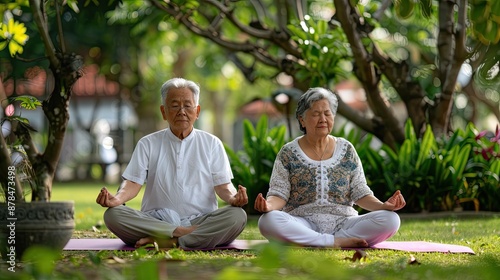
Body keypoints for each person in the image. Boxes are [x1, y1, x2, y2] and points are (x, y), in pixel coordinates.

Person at [96, 77, 248, 249]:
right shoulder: (148, 143)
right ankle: (185, 234)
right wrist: (117, 199)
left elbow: (223, 186)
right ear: (163, 111)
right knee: (113, 215)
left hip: (200, 220)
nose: (181, 111)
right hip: (155, 220)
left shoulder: (212, 143)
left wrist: (233, 198)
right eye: (175, 105)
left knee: (237, 216)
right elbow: (132, 183)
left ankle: (169, 240)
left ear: (197, 111)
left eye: (187, 106)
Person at [254, 87, 406, 248]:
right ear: (302, 119)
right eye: (315, 114)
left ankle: (323, 240)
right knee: (268, 221)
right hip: (302, 222)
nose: (323, 119)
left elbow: (360, 192)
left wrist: (383, 206)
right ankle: (332, 242)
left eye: (327, 113)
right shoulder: (288, 152)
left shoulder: (346, 149)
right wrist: (268, 206)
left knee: (391, 219)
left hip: (344, 223)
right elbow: (279, 194)